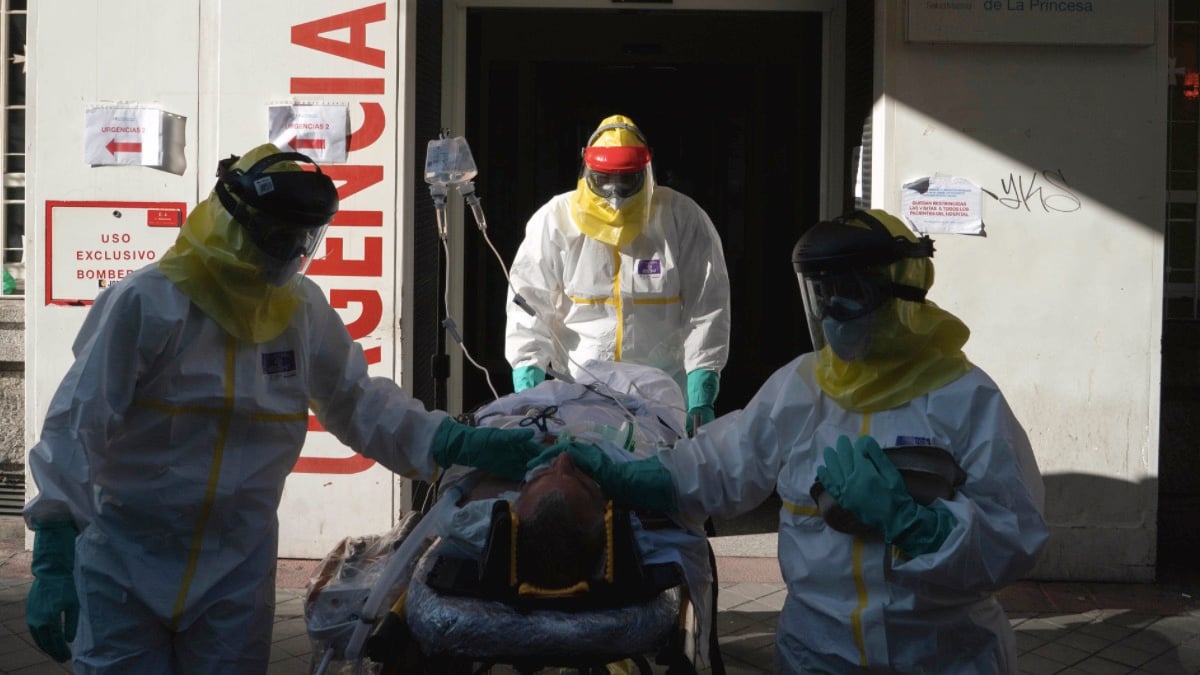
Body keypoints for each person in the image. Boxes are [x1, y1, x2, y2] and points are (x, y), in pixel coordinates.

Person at [21, 143, 543, 673]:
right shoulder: (148, 303)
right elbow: (76, 423)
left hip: (235, 565)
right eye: (281, 235)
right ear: (234, 223)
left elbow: (358, 403)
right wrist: (55, 544)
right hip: (127, 556)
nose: (292, 251)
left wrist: (449, 442)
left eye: (303, 238)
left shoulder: (302, 310)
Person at [536, 209, 1049, 673]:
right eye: (820, 292)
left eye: (849, 290)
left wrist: (914, 523)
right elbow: (715, 468)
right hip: (819, 654)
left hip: (941, 654)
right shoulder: (801, 388)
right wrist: (625, 474)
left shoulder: (965, 398)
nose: (830, 310)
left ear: (902, 292)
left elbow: (1016, 535)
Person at [504, 114, 732, 436]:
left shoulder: (682, 219)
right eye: (604, 179)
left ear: (647, 172)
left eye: (627, 181)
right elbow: (529, 304)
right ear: (586, 170)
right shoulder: (554, 221)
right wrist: (529, 390)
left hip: (662, 401)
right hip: (576, 397)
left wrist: (701, 395)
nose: (614, 194)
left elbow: (707, 308)